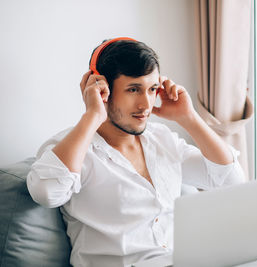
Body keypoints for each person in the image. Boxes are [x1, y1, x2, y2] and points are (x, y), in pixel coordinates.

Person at [26, 37, 245, 267]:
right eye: (133, 89)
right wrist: (92, 116)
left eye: (152, 89)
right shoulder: (72, 147)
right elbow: (47, 192)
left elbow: (230, 180)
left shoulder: (161, 139)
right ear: (101, 89)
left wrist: (189, 118)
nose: (146, 104)